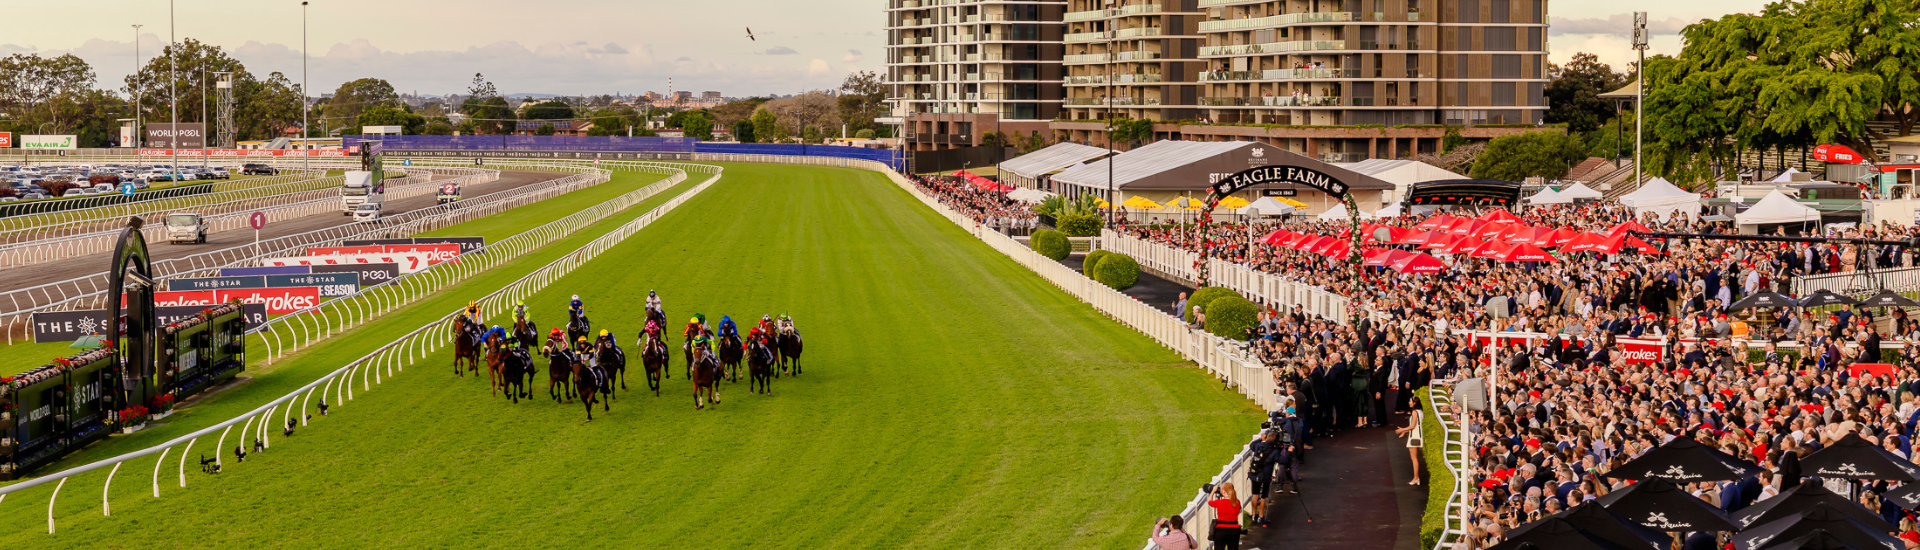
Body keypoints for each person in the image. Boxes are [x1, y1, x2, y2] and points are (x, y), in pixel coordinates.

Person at [1396, 395, 1424, 485]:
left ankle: (1416, 478)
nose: (1409, 403)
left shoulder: (1415, 412)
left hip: (1414, 437)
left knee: (1414, 458)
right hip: (1417, 436)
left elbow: (1412, 426)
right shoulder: (1420, 412)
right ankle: (1416, 477)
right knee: (1414, 458)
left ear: (1414, 403)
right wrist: (1405, 431)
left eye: (1410, 401)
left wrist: (1402, 430)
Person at [1207, 483, 1242, 550]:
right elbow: (1239, 510)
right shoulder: (1237, 502)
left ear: (1223, 491)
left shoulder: (1219, 502)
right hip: (1234, 530)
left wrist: (1213, 491)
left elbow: (1209, 502)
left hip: (1221, 531)